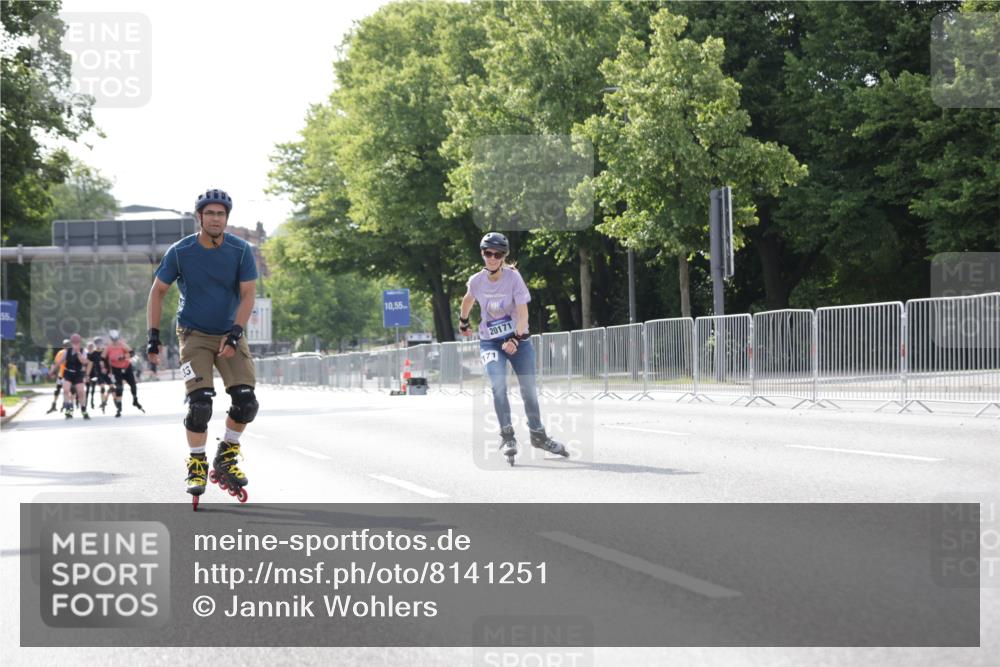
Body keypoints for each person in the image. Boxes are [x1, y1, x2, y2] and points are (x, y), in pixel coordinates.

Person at [146, 188, 259, 507]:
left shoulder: (240, 251)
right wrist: (153, 336)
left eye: (220, 214)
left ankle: (226, 455)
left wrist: (236, 332)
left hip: (229, 333)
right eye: (209, 213)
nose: (215, 218)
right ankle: (197, 463)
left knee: (246, 402)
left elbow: (248, 295)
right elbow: (158, 292)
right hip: (193, 334)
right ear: (199, 217)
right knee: (200, 406)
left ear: (227, 218)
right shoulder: (181, 251)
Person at [459, 232, 568, 465]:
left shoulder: (514, 278)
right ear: (482, 254)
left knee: (528, 390)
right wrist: (463, 321)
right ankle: (507, 436)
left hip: (518, 339)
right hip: (490, 342)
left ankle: (538, 435)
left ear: (503, 257)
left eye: (497, 254)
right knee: (498, 384)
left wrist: (516, 340)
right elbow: (468, 299)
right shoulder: (477, 280)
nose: (492, 258)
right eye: (488, 253)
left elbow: (523, 314)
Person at [103, 330, 144, 417]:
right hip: (116, 369)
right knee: (119, 388)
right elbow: (103, 358)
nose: (115, 341)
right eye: (113, 339)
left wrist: (123, 357)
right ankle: (119, 408)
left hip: (126, 367)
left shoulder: (122, 345)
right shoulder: (109, 347)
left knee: (133, 385)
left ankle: (135, 400)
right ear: (111, 339)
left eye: (116, 339)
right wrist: (106, 368)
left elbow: (132, 353)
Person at [50, 333, 90, 420]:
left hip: (78, 373)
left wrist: (78, 353)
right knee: (66, 390)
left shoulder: (84, 351)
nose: (75, 344)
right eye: (73, 343)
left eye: (77, 343)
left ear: (80, 343)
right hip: (68, 373)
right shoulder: (66, 351)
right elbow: (59, 362)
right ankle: (67, 409)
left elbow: (84, 362)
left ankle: (83, 409)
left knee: (81, 392)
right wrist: (52, 371)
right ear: (71, 343)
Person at [46, 339, 70, 414]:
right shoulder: (61, 353)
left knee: (64, 391)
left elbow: (55, 364)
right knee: (59, 390)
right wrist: (52, 372)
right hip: (62, 374)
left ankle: (64, 404)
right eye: (66, 345)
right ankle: (55, 404)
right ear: (63, 346)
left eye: (67, 345)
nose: (66, 347)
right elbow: (56, 363)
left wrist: (51, 372)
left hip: (67, 375)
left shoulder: (67, 353)